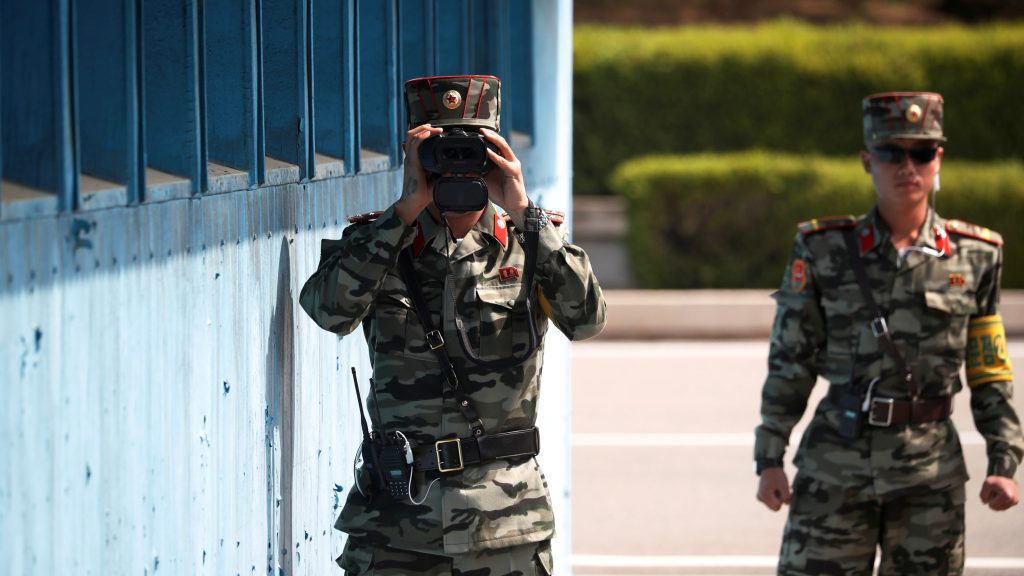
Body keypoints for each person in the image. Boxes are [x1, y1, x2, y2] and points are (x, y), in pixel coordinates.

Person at [300, 75, 606, 575]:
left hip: (505, 524)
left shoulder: (532, 242)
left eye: (473, 149)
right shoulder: (378, 241)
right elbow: (328, 312)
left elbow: (587, 319)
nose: (457, 162)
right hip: (397, 526)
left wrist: (523, 209)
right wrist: (404, 210)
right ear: (415, 153)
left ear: (496, 154)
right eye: (442, 149)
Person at [753, 91, 1023, 574]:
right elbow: (790, 359)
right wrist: (770, 456)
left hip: (929, 480)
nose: (907, 167)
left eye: (922, 152)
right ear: (867, 160)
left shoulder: (975, 255)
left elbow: (989, 368)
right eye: (891, 153)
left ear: (938, 159)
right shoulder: (822, 250)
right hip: (835, 471)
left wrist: (1004, 460)